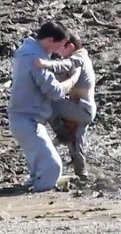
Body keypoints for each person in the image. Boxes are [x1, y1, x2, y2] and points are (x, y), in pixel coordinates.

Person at [6, 21, 82, 192]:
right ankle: (34, 205)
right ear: (50, 40)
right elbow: (54, 91)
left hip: (23, 118)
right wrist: (73, 79)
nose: (58, 52)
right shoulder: (36, 59)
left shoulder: (25, 51)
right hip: (27, 120)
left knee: (38, 171)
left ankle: (27, 192)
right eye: (59, 46)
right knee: (52, 168)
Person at [35, 32, 96, 179]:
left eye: (62, 47)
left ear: (71, 46)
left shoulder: (78, 59)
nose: (58, 50)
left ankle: (61, 133)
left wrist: (45, 64)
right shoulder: (82, 60)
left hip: (81, 109)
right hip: (86, 110)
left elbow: (63, 66)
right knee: (76, 144)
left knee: (47, 102)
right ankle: (82, 175)